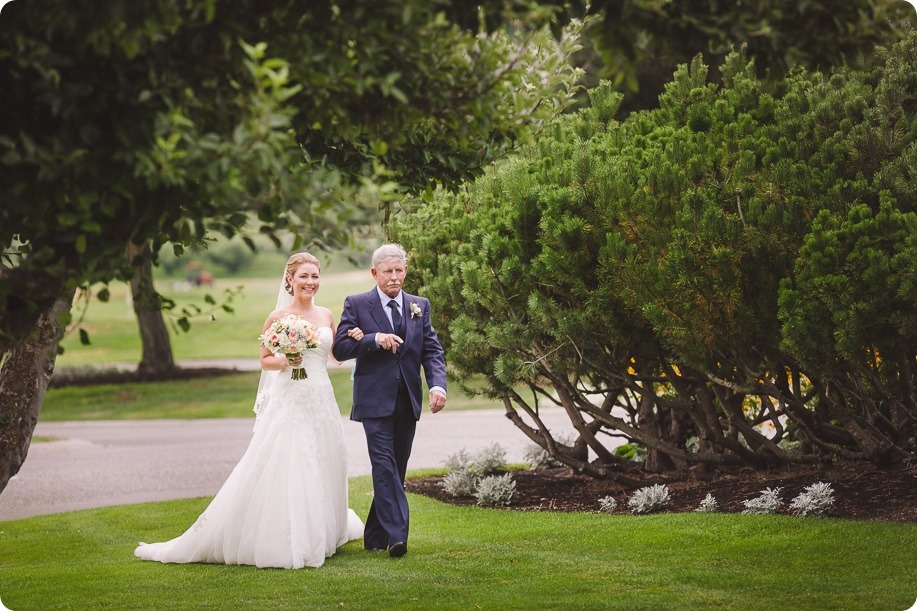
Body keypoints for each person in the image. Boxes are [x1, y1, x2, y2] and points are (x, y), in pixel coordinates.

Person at [134, 252, 364, 569]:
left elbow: (336, 356)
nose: (310, 282)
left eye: (314, 276)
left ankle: (323, 531)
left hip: (321, 399)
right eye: (304, 277)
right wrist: (286, 360)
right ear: (290, 280)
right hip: (290, 399)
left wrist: (355, 338)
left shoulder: (325, 315)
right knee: (292, 461)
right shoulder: (277, 317)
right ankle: (287, 536)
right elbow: (265, 360)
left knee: (325, 458)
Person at [332, 243, 447, 558]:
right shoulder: (357, 304)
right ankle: (398, 537)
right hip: (373, 400)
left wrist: (438, 386)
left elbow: (432, 351)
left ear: (406, 271)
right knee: (383, 465)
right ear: (375, 273)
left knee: (396, 467)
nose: (394, 277)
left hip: (407, 399)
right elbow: (340, 348)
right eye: (388, 272)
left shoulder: (419, 305)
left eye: (399, 270)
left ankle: (374, 535)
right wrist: (373, 340)